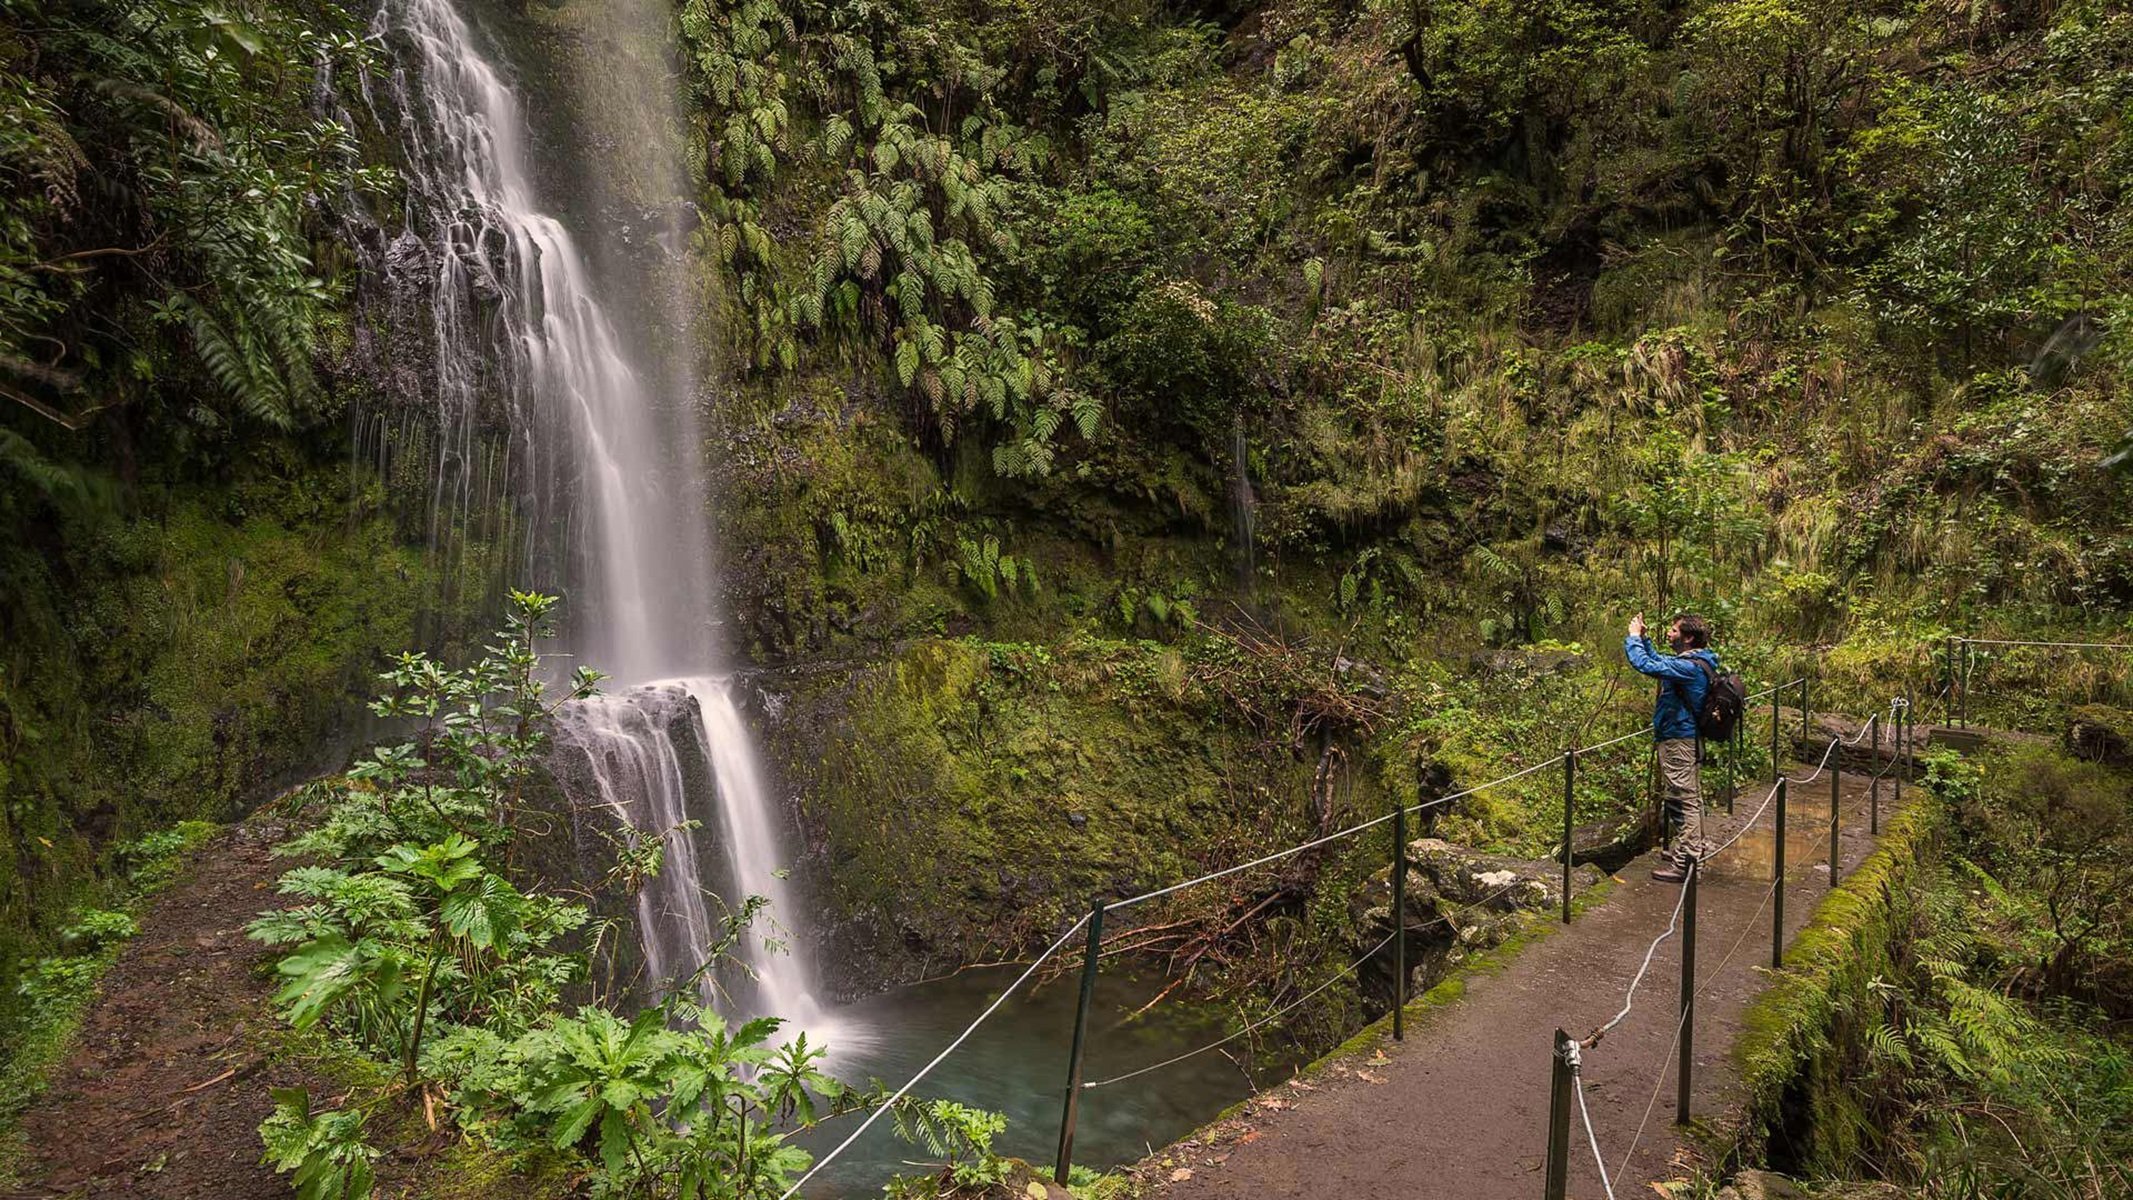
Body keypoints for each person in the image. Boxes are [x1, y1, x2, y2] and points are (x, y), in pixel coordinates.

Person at [1625, 612, 1720, 883]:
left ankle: (1687, 865)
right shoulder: (1693, 662)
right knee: (1689, 798)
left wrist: (1633, 638)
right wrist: (1645, 640)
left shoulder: (1689, 668)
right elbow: (1659, 661)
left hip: (1679, 739)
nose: (1669, 633)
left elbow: (1645, 665)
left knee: (1683, 800)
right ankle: (1690, 852)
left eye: (1674, 630)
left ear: (1688, 638)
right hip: (1684, 737)